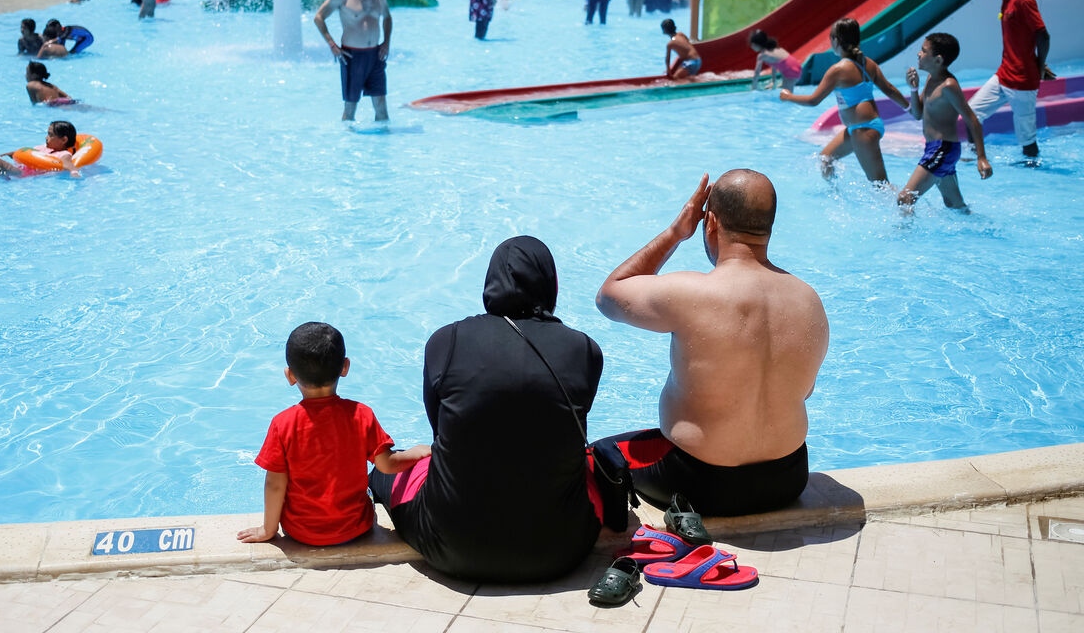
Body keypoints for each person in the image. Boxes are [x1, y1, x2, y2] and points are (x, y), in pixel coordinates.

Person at [368, 236, 605, 582]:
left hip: (450, 547)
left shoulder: (445, 341)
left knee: (388, 469)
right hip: (561, 549)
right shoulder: (584, 349)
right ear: (550, 284)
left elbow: (441, 433)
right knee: (588, 462)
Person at [593, 171, 828, 516]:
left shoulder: (690, 293)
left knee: (598, 455)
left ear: (711, 222)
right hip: (789, 479)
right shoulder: (809, 302)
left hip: (701, 484)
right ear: (769, 226)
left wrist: (676, 233)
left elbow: (609, 296)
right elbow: (804, 392)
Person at [236, 323, 431, 546]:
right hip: (356, 528)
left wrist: (267, 529)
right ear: (345, 367)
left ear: (289, 376)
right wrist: (418, 452)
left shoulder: (283, 424)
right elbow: (387, 465)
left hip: (301, 533)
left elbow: (275, 484)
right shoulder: (361, 415)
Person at [780, 18, 908, 184]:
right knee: (826, 159)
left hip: (864, 129)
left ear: (836, 40)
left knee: (880, 185)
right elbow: (889, 89)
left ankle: (906, 207)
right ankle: (835, 195)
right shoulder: (868, 63)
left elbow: (813, 100)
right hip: (858, 128)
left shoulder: (838, 70)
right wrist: (910, 107)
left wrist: (787, 96)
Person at [969, 0, 1052, 160]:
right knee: (971, 113)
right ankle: (974, 158)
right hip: (1004, 73)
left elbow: (1043, 35)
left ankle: (1034, 174)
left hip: (1023, 81)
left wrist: (1039, 66)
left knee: (1027, 140)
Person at [899, 33, 991, 211]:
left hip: (942, 149)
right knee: (954, 205)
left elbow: (972, 120)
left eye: (924, 51)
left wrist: (981, 158)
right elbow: (918, 114)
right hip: (937, 148)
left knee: (905, 198)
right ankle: (976, 231)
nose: (919, 54)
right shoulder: (931, 79)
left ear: (938, 60)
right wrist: (913, 89)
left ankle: (904, 238)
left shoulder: (949, 86)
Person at [314, 0, 392, 122]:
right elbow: (319, 17)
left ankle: (383, 145)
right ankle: (348, 146)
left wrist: (386, 42)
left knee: (381, 106)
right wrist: (332, 45)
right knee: (350, 108)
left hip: (375, 55)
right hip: (352, 56)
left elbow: (387, 17)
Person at [0, 121, 82, 178]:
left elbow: (70, 166)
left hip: (24, 174)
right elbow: (17, 154)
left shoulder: (63, 154)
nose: (46, 137)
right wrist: (4, 155)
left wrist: (74, 174)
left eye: (50, 135)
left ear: (63, 140)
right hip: (20, 169)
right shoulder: (43, 148)